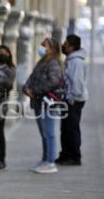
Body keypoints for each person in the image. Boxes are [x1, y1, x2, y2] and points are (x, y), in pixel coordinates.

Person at [23, 38, 63, 174]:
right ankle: (45, 159)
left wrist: (34, 90)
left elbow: (53, 81)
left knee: (49, 133)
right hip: (39, 102)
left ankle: (51, 162)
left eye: (43, 45)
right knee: (44, 133)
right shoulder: (42, 62)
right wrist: (26, 88)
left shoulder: (53, 63)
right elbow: (31, 78)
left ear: (51, 48)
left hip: (48, 103)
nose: (41, 47)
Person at [56, 35, 88, 166]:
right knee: (65, 128)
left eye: (66, 44)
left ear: (72, 47)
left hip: (74, 100)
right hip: (68, 98)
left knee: (72, 128)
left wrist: (72, 98)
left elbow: (77, 82)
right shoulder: (70, 59)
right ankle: (65, 154)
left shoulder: (77, 62)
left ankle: (75, 156)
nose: (63, 45)